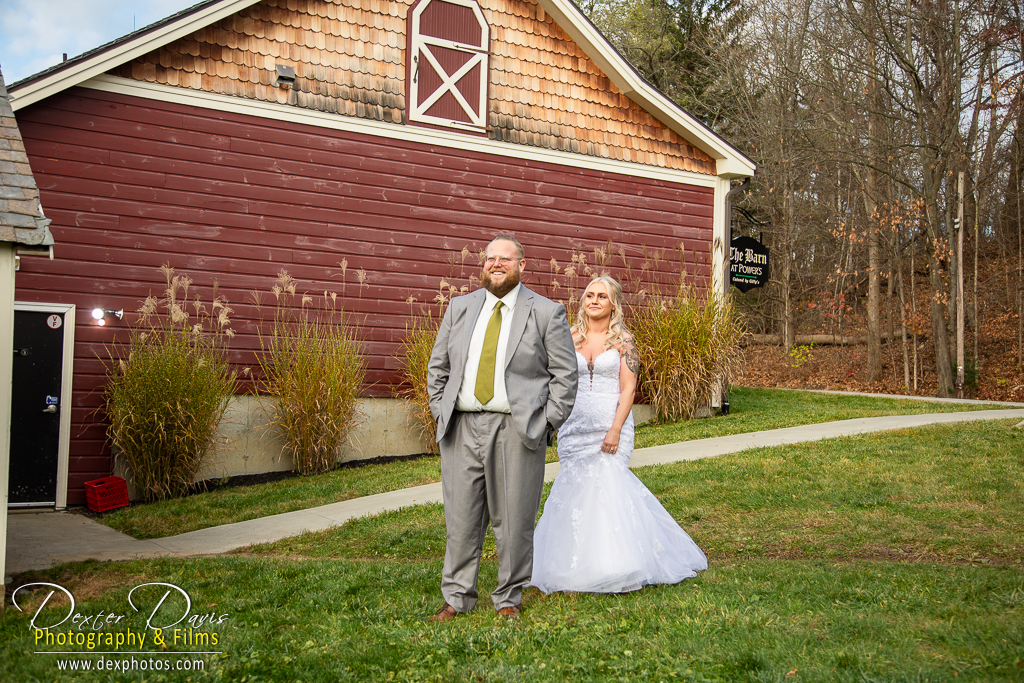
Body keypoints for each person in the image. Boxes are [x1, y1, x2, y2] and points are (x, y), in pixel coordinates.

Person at [426, 234, 577, 620]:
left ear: (522, 265)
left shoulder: (545, 311)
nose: (496, 264)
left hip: (517, 429)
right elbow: (438, 366)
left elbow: (565, 375)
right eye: (490, 258)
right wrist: (441, 411)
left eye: (505, 259)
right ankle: (457, 597)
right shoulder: (460, 307)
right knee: (460, 519)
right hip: (461, 427)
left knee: (513, 521)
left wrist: (546, 423)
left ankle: (508, 598)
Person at [530, 275, 707, 594]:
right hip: (574, 428)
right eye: (589, 295)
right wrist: (552, 422)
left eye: (601, 296)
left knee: (607, 487)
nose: (594, 300)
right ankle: (569, 565)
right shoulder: (568, 337)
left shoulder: (623, 340)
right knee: (573, 490)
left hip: (612, 427)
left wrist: (615, 429)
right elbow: (553, 380)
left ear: (614, 304)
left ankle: (616, 563)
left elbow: (628, 389)